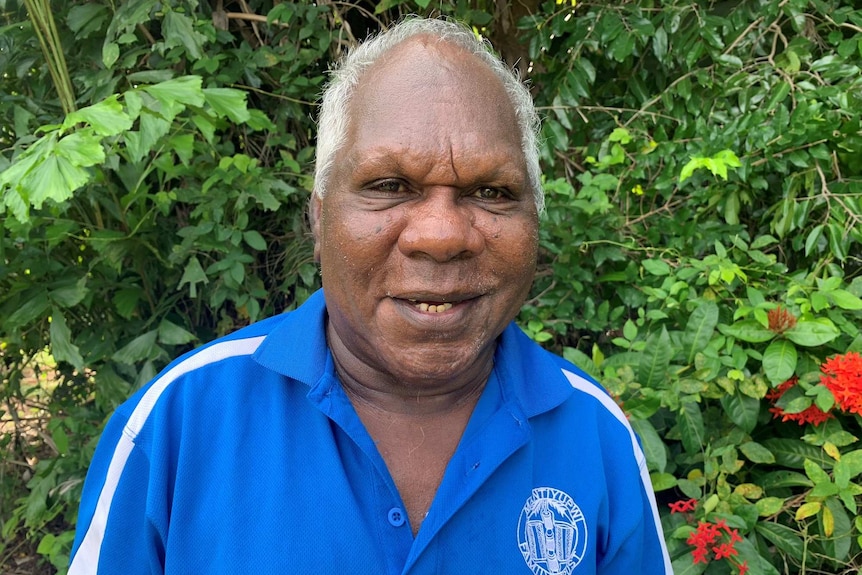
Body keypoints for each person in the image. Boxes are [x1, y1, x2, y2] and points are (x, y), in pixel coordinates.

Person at [69, 17, 672, 575]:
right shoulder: (179, 424)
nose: (441, 236)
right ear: (320, 218)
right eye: (389, 186)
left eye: (490, 192)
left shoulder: (594, 434)